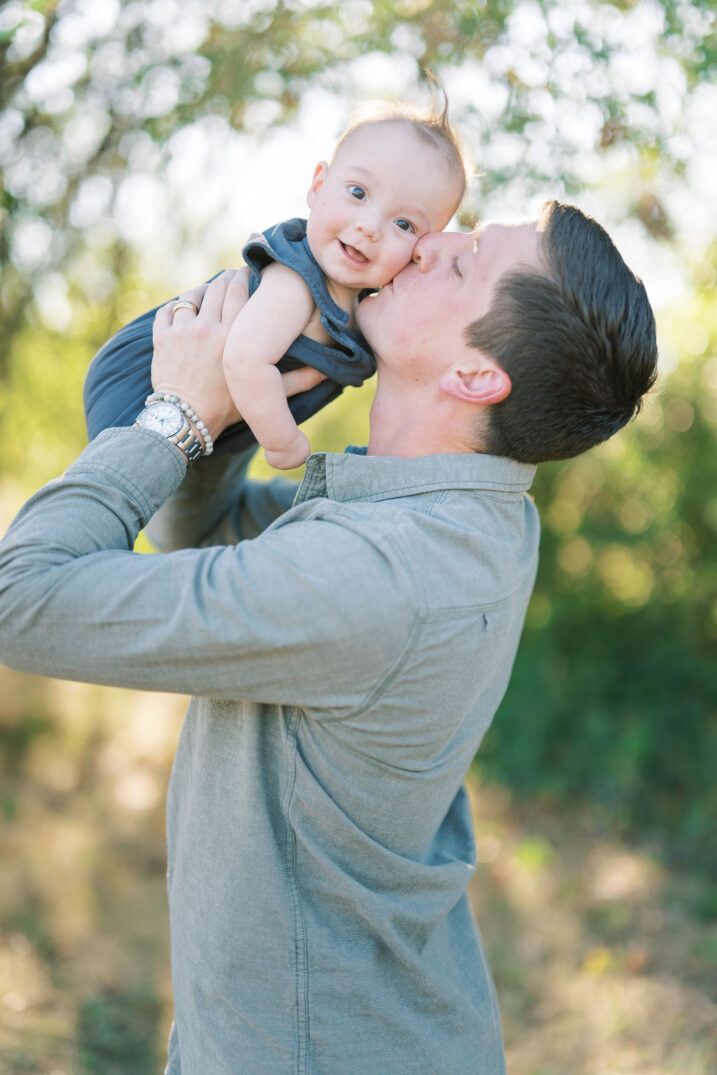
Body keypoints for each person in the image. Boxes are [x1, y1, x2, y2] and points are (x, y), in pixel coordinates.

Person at [0, 200, 657, 1074]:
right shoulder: (459, 515)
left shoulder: (384, 575)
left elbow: (22, 599)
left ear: (472, 375)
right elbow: (209, 528)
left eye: (461, 264)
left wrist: (176, 414)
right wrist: (250, 382)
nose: (427, 245)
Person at [84, 100, 468, 468]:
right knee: (131, 484)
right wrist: (283, 441)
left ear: (424, 247)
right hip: (139, 387)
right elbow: (245, 359)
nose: (369, 227)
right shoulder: (297, 282)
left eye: (404, 225)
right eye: (358, 193)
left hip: (196, 421)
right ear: (318, 186)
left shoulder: (367, 308)